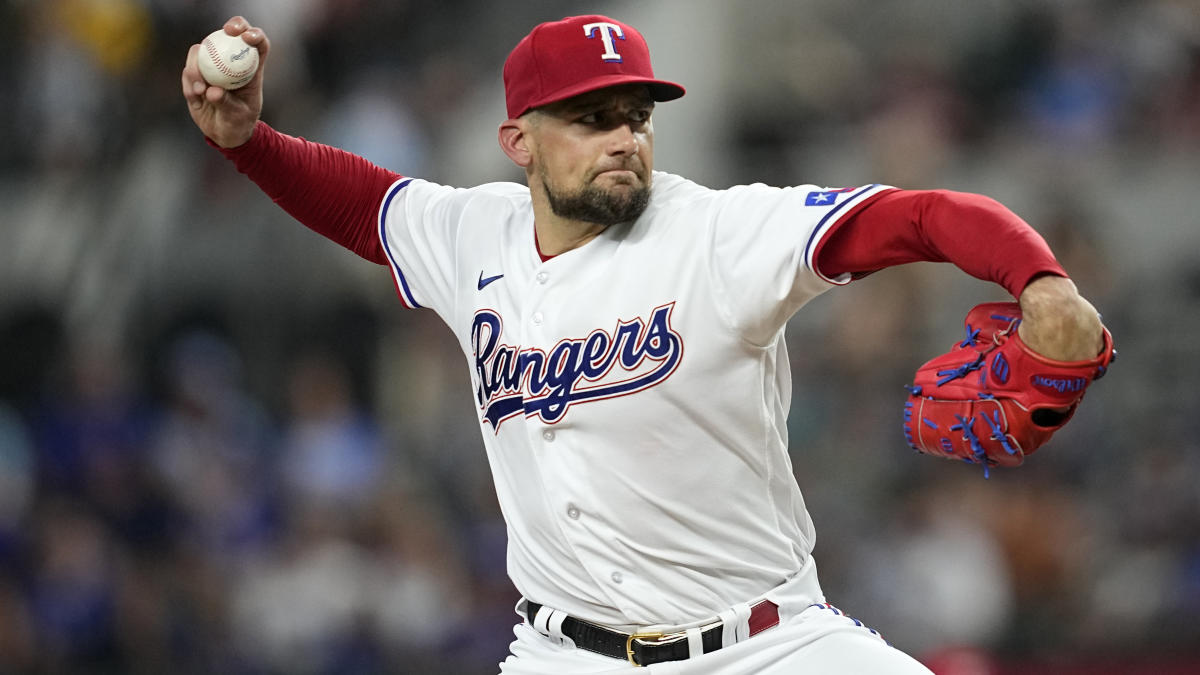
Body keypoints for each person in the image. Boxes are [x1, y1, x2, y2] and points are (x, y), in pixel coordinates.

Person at [182, 14, 1107, 674]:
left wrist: (1039, 280)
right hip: (562, 651)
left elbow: (920, 214)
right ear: (520, 141)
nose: (625, 137)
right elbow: (359, 203)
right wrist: (246, 141)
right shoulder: (474, 235)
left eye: (637, 114)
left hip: (766, 645)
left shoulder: (717, 233)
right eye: (592, 118)